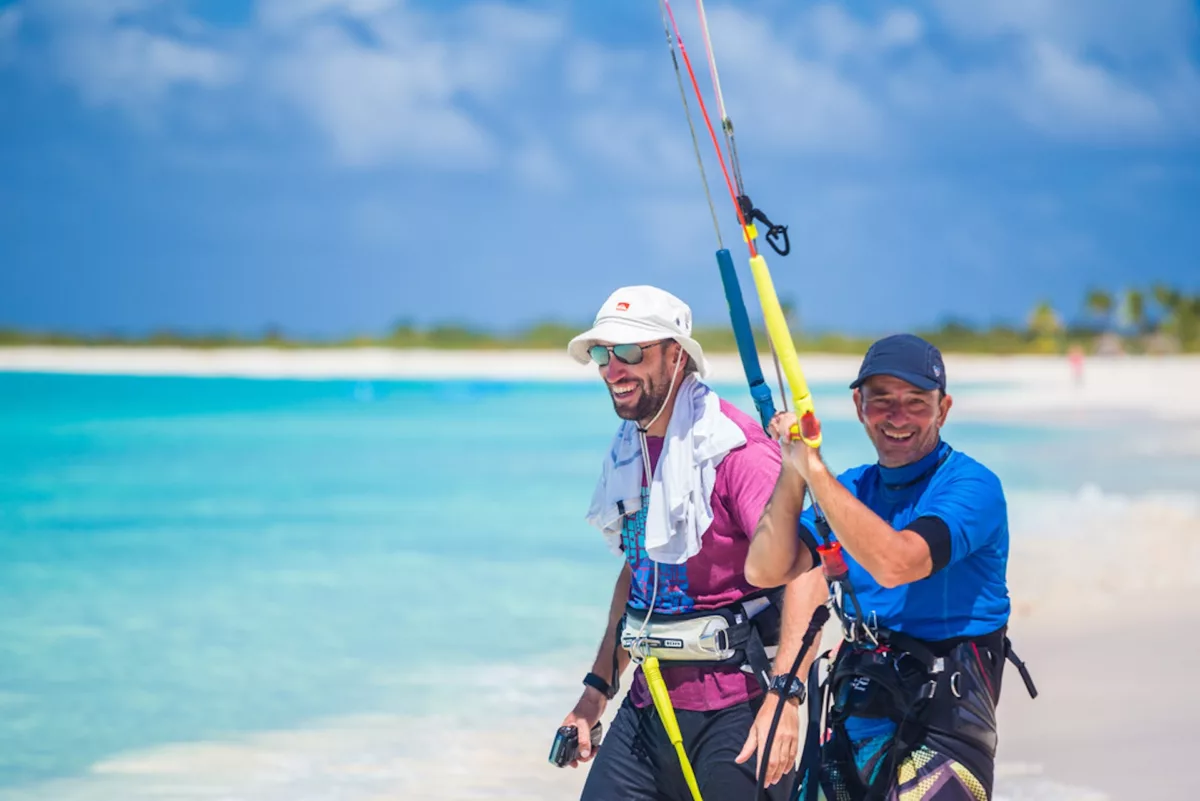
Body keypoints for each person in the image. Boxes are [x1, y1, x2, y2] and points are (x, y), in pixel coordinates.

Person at [744, 333, 1037, 801]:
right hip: (858, 709)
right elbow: (764, 569)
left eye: (916, 403)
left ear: (943, 410)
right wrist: (791, 470)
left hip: (945, 722)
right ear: (859, 406)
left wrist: (815, 472)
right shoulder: (853, 489)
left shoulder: (973, 487)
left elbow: (899, 563)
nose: (897, 417)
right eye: (882, 401)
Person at [557, 285, 799, 801]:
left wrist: (787, 701)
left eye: (629, 352)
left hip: (742, 706)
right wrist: (595, 696)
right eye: (602, 353)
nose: (611, 369)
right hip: (650, 706)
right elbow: (638, 575)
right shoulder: (630, 449)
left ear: (677, 354)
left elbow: (807, 573)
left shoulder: (736, 452)